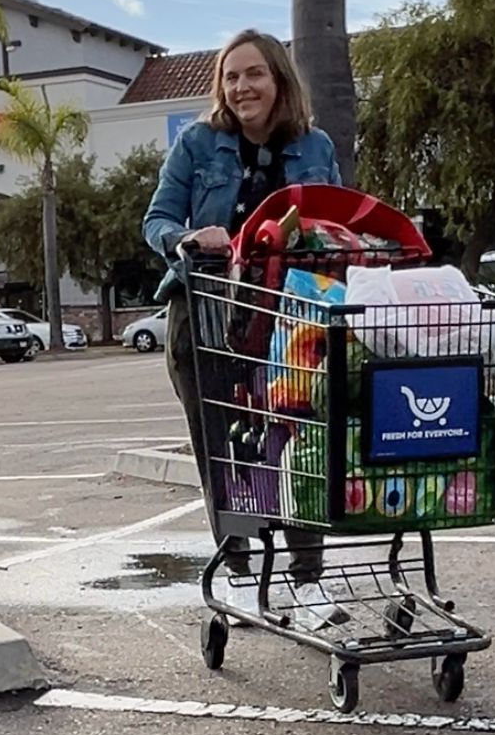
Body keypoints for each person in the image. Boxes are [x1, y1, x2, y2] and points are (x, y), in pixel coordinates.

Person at [142, 30, 344, 629]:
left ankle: (307, 580)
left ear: (279, 79)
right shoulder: (198, 145)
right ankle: (237, 568)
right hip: (206, 319)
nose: (241, 87)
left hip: (292, 320)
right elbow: (156, 218)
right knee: (220, 448)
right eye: (231, 77)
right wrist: (185, 238)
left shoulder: (315, 146)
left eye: (253, 74)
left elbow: (333, 217)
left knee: (302, 441)